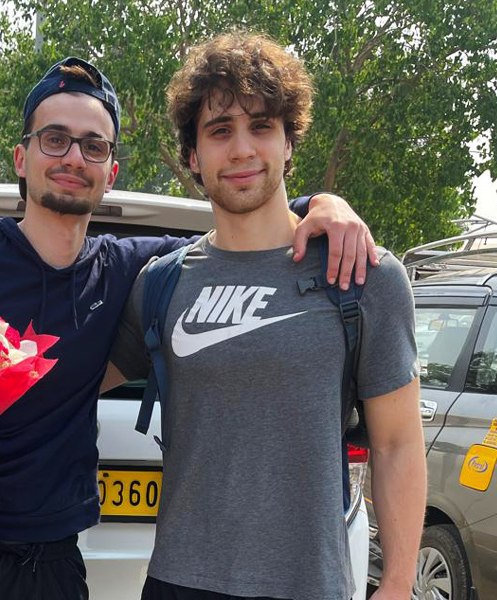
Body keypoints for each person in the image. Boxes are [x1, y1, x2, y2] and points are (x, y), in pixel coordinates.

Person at [0, 56, 380, 599]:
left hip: (55, 567)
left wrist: (320, 204)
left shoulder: (132, 269)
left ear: (110, 172)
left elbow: (243, 229)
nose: (73, 157)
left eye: (93, 146)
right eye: (55, 139)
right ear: (21, 157)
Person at [105, 31, 427, 600]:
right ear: (192, 156)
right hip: (178, 580)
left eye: (260, 126)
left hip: (308, 583)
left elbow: (398, 443)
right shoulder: (161, 283)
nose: (241, 150)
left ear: (288, 143)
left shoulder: (363, 276)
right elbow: (68, 389)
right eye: (219, 130)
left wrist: (398, 584)